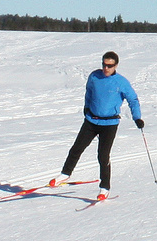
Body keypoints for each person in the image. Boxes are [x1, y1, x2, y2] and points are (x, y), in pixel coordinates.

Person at [53, 51, 143, 200]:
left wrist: (137, 118)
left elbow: (133, 100)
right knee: (77, 148)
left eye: (109, 66)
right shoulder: (94, 76)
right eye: (104, 65)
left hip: (109, 124)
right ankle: (65, 174)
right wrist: (86, 107)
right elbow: (89, 93)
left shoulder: (121, 82)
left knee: (103, 156)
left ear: (116, 66)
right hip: (91, 120)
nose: (106, 68)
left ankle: (104, 188)